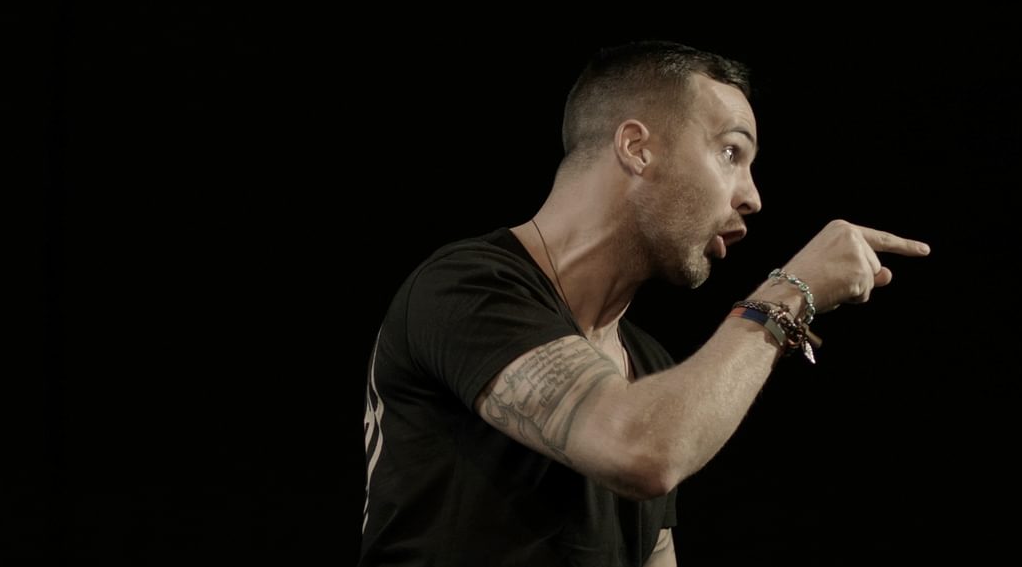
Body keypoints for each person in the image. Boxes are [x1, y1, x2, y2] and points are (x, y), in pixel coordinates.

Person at [359, 40, 930, 566]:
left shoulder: (651, 369)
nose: (753, 196)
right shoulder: (466, 287)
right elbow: (642, 451)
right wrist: (788, 294)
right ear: (637, 148)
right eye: (731, 152)